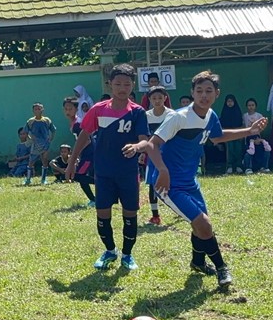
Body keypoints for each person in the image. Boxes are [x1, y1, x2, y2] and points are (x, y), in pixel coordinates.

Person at [124, 71, 267, 290]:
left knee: (199, 224)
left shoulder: (210, 116)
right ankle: (222, 267)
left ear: (217, 94)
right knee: (204, 224)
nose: (203, 95)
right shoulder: (178, 117)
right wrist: (162, 170)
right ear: (192, 93)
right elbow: (153, 144)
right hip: (168, 185)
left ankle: (198, 262)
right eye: (199, 91)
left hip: (190, 181)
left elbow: (217, 137)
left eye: (209, 91)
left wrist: (249, 130)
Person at [69, 64, 149, 271]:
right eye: (118, 83)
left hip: (128, 172)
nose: (122, 88)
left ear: (133, 85)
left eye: (127, 84)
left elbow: (144, 141)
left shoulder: (137, 112)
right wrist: (71, 162)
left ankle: (127, 255)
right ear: (110, 85)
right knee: (103, 213)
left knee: (129, 214)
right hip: (103, 172)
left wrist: (137, 147)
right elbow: (84, 135)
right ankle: (110, 251)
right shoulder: (98, 109)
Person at [143, 86, 173, 224]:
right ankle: (155, 215)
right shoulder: (146, 116)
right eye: (154, 98)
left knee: (174, 182)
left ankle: (180, 208)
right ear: (149, 99)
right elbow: (145, 137)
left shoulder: (171, 115)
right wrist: (144, 152)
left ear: (165, 98)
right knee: (152, 184)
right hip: (153, 155)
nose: (157, 100)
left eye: (160, 98)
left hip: (169, 154)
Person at [24, 102, 56, 185]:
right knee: (31, 162)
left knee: (44, 160)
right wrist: (30, 139)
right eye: (36, 109)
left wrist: (51, 138)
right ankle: (28, 179)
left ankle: (43, 179)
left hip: (45, 143)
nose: (38, 110)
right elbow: (26, 131)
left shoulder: (47, 120)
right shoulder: (30, 121)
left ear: (42, 110)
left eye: (39, 109)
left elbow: (53, 130)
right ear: (33, 111)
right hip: (35, 144)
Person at [220, 95, 244, 175]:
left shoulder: (238, 111)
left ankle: (238, 166)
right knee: (230, 150)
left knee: (238, 149)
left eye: (231, 101)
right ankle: (229, 166)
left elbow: (241, 123)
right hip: (228, 134)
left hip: (238, 133)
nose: (230, 103)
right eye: (228, 101)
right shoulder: (224, 112)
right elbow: (222, 124)